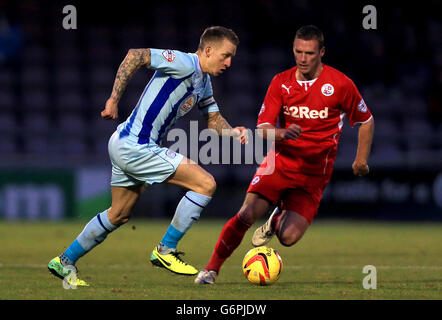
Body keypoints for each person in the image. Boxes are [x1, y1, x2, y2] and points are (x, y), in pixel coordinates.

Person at [48, 26, 248, 286]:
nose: (229, 62)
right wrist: (113, 100)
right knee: (205, 184)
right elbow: (136, 55)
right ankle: (165, 250)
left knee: (118, 214)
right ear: (208, 50)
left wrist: (233, 133)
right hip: (136, 145)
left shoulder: (204, 81)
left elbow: (212, 119)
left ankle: (64, 261)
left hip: (125, 144)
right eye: (226, 55)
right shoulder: (184, 62)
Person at [195, 25, 374, 284]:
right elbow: (263, 128)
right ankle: (211, 270)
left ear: (321, 52)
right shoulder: (281, 82)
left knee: (288, 238)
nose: (303, 58)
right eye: (298, 51)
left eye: (309, 53)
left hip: (314, 175)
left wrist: (361, 160)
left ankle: (276, 219)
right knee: (246, 214)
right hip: (280, 164)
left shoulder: (340, 84)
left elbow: (366, 120)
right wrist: (281, 133)